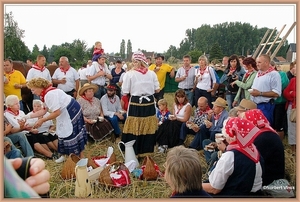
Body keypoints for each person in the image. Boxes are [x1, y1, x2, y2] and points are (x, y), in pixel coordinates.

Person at [25, 77, 88, 163]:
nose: (32, 92)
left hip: (70, 111)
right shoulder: (45, 93)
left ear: (39, 87)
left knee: (70, 133)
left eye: (33, 89)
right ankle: (66, 155)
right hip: (67, 110)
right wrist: (27, 117)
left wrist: (42, 120)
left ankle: (78, 158)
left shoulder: (49, 95)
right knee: (62, 132)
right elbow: (44, 110)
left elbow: (56, 112)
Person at [202, 117, 263, 196]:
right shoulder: (253, 149)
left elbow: (214, 189)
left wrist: (194, 186)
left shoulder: (230, 156)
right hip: (254, 194)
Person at [121, 51, 160, 157]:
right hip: (148, 102)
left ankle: (135, 152)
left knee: (136, 126)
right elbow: (157, 89)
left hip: (137, 103)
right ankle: (144, 152)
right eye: (133, 61)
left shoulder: (129, 74)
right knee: (147, 126)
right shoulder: (151, 73)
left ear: (140, 61)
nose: (134, 63)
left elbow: (125, 91)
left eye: (135, 61)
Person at [242, 109, 285, 186]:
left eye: (246, 121)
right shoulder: (265, 132)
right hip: (269, 174)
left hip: (269, 179)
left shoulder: (263, 138)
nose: (244, 125)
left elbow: (251, 161)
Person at [249, 54, 281, 125]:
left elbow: (277, 93)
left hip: (266, 106)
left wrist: (260, 93)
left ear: (266, 63)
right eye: (257, 62)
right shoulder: (258, 73)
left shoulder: (274, 74)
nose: (257, 64)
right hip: (255, 105)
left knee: (265, 127)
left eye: (259, 62)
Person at [272, 64, 289, 140]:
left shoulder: (282, 74)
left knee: (279, 123)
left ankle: (280, 141)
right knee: (272, 122)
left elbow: (283, 84)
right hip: (271, 102)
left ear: (273, 66)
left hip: (280, 102)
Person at [283, 72, 296, 155]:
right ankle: (293, 151)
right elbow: (285, 93)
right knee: (292, 129)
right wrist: (292, 94)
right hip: (292, 108)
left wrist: (293, 93)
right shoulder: (293, 80)